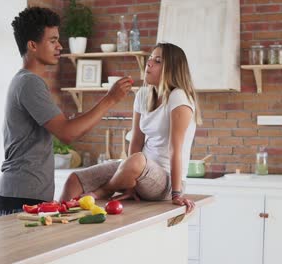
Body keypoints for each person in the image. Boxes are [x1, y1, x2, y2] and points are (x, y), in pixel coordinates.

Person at [0, 7, 132, 216]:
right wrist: (111, 98)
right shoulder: (30, 83)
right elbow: (68, 133)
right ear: (32, 45)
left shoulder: (26, 81)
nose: (59, 46)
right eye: (52, 40)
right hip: (21, 199)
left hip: (24, 195)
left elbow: (65, 127)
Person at [60, 43, 202, 213]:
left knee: (136, 161)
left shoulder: (179, 97)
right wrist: (129, 183)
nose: (149, 63)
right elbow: (136, 141)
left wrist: (177, 194)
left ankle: (104, 191)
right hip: (139, 171)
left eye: (157, 61)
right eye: (150, 59)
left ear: (172, 69)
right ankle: (60, 220)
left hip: (167, 181)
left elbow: (175, 149)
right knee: (74, 180)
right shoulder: (143, 95)